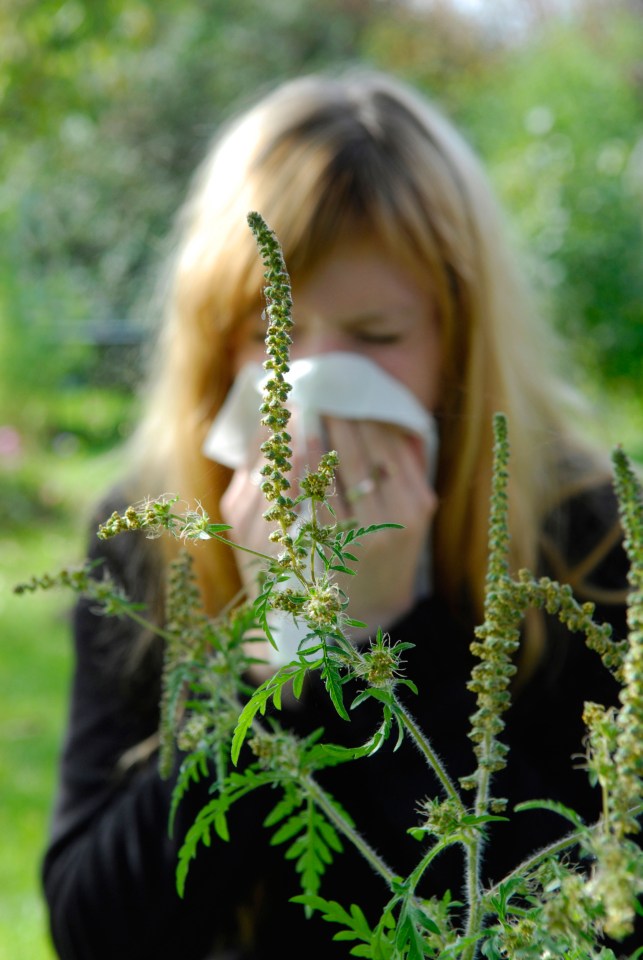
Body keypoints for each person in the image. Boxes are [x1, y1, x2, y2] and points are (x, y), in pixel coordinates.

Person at [42, 70, 634, 960]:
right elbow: (97, 931)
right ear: (213, 343)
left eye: (375, 337)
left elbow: (588, 919)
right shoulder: (148, 536)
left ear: (459, 341)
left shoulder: (585, 537)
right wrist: (276, 654)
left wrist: (394, 641)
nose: (303, 385)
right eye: (265, 334)